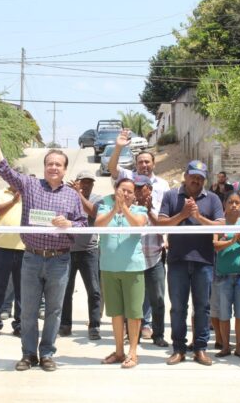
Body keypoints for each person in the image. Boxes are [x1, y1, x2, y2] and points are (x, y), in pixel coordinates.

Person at [0, 128, 87, 372]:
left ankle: (47, 353)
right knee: (27, 310)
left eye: (58, 164)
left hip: (59, 261)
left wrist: (69, 224)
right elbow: (5, 170)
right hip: (32, 259)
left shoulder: (72, 196)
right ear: (44, 166)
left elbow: (83, 224)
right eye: (50, 164)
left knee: (53, 310)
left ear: (65, 169)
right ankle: (28, 354)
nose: (54, 168)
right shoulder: (30, 186)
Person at [157, 160, 224, 366]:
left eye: (200, 177)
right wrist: (183, 215)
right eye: (193, 176)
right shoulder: (171, 196)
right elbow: (160, 223)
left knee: (202, 307)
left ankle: (200, 348)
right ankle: (178, 348)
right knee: (178, 307)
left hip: (203, 261)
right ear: (185, 176)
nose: (196, 180)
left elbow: (220, 227)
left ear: (205, 179)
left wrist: (197, 217)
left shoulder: (212, 199)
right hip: (177, 260)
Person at [109, 129, 170, 342]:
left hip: (154, 250)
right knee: (132, 296)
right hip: (131, 251)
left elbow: (165, 217)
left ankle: (158, 334)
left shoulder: (163, 185)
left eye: (147, 162)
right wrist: (119, 147)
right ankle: (130, 332)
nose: (144, 165)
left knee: (158, 297)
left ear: (153, 164)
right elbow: (112, 168)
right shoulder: (128, 181)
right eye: (140, 162)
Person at [96, 178, 148, 368]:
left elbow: (138, 225)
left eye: (129, 192)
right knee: (116, 312)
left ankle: (133, 352)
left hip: (132, 268)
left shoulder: (140, 210)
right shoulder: (103, 207)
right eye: (122, 190)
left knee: (134, 312)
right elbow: (99, 225)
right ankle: (119, 351)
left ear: (134, 195)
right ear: (115, 190)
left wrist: (124, 209)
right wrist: (114, 210)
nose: (125, 194)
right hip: (109, 267)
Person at [59, 171, 103, 340]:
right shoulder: (65, 196)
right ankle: (65, 325)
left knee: (94, 291)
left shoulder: (97, 199)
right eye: (82, 182)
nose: (85, 185)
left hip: (89, 251)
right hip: (67, 250)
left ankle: (94, 326)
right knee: (65, 290)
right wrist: (72, 194)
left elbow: (93, 213)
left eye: (89, 183)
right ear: (76, 182)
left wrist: (78, 194)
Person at [212, 192, 240, 359]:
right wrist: (232, 241)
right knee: (224, 313)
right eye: (230, 202)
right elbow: (215, 244)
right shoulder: (220, 223)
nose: (234, 205)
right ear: (224, 205)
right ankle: (225, 346)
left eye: (237, 202)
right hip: (222, 276)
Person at [0, 178, 24, 339]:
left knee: (22, 291)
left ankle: (20, 325)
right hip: (1, 247)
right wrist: (14, 200)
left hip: (25, 248)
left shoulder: (29, 194)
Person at [134, 175, 169, 347]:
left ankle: (159, 335)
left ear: (150, 189)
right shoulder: (128, 208)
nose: (139, 191)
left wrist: (149, 210)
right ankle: (133, 335)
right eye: (136, 188)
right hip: (134, 261)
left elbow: (162, 230)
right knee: (134, 300)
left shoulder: (159, 208)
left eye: (142, 188)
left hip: (155, 259)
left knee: (158, 300)